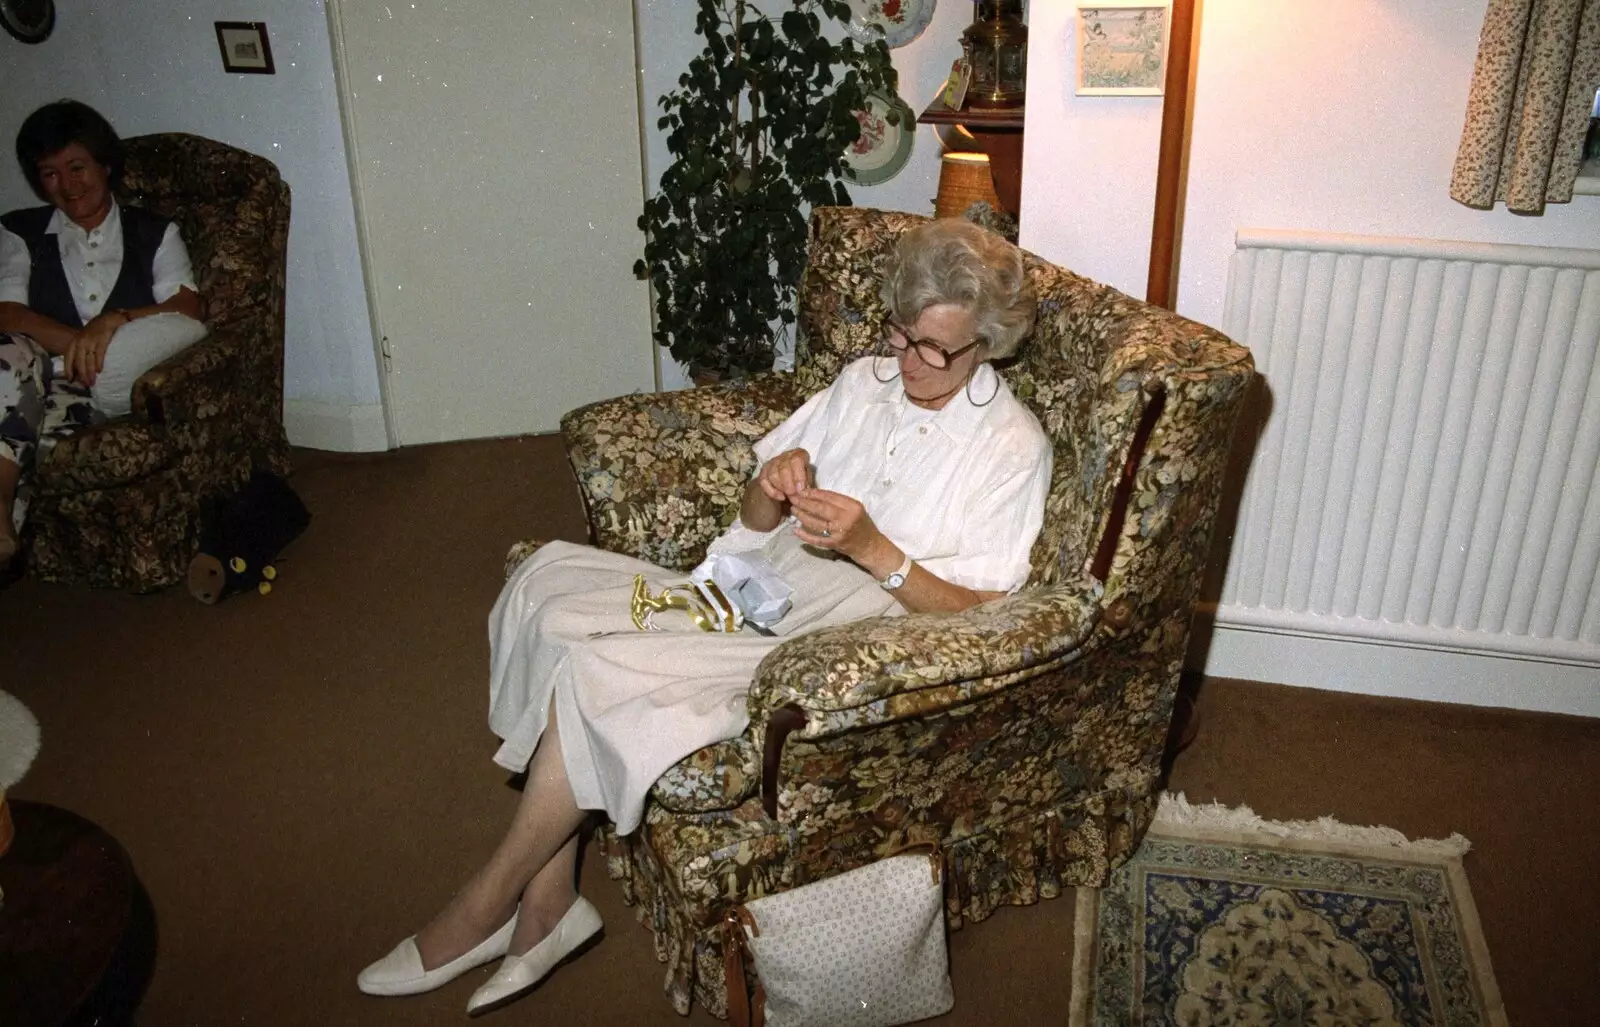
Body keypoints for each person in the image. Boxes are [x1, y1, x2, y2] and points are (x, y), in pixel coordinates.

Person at [357, 218, 1053, 1014]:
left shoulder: (1009, 445)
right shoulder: (867, 383)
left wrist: (874, 549)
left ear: (987, 346)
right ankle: (551, 905)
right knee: (544, 588)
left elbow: (988, 611)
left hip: (843, 630)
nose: (907, 360)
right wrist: (775, 481)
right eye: (901, 334)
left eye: (933, 349)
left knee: (596, 668)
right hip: (766, 580)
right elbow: (757, 507)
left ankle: (487, 902)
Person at [0, 100, 207, 564]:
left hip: (79, 388)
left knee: (38, 435)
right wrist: (82, 345)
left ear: (105, 165)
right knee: (11, 356)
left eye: (77, 167)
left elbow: (186, 306)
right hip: (19, 371)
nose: (67, 185)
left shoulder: (154, 232)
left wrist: (113, 320)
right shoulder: (19, 230)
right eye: (50, 173)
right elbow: (8, 314)